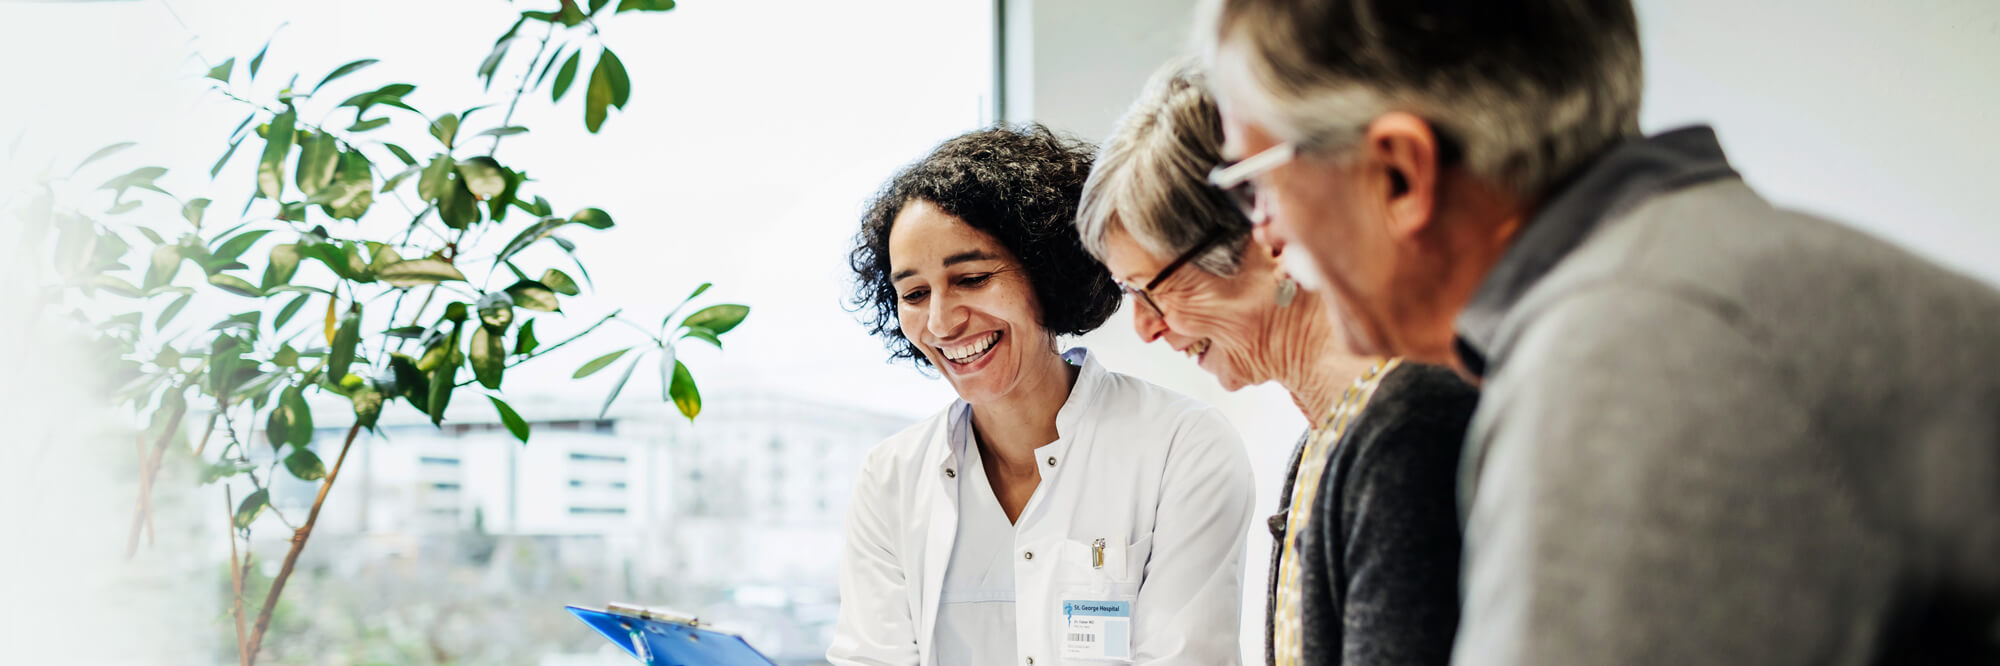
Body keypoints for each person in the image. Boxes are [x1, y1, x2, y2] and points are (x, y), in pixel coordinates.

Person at [1196, 0, 2000, 664]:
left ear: (1400, 173)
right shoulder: (1693, 283)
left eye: (1256, 184)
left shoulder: (1628, 360)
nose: (1265, 232)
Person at [1075, 60, 1476, 666]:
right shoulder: (1322, 443)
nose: (1146, 327)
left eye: (1149, 290)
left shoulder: (1411, 425)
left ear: (1266, 228)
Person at [830, 124, 1257, 666]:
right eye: (914, 293)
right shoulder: (891, 479)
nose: (940, 322)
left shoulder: (1183, 448)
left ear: (1046, 274)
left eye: (972, 279)